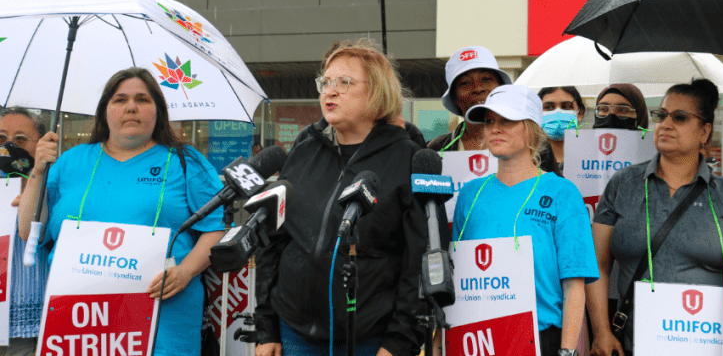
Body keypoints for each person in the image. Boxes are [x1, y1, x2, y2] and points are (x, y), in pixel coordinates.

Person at [17, 68, 226, 356]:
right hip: (81, 323)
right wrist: (38, 172)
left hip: (162, 320)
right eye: (120, 100)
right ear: (104, 111)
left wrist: (186, 272)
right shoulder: (69, 162)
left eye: (142, 99)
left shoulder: (186, 161)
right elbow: (29, 231)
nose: (131, 107)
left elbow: (215, 227)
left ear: (158, 111)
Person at [255, 39, 427, 356]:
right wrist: (267, 327)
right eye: (326, 82)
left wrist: (400, 343)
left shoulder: (408, 159)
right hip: (294, 334)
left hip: (370, 340)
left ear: (377, 92)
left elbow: (418, 261)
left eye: (344, 83)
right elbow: (273, 240)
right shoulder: (303, 150)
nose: (329, 91)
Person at [587, 79, 723, 356]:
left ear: (705, 131)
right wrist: (602, 332)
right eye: (661, 115)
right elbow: (597, 265)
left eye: (680, 117)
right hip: (632, 344)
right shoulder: (623, 184)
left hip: (709, 346)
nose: (666, 124)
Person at [453, 84, 598, 356]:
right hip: (478, 337)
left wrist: (567, 351)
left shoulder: (562, 193)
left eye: (507, 120)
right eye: (489, 121)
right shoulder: (470, 194)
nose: (495, 128)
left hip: (541, 338)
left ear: (531, 128)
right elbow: (458, 275)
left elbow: (574, 287)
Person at [2, 108, 49, 356]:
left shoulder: (53, 184)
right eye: (1, 138)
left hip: (31, 324)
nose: (9, 145)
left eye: (20, 139)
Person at [538, 86, 586, 174]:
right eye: (549, 107)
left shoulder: (591, 158)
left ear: (580, 113)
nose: (558, 113)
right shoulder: (527, 159)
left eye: (566, 106)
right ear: (537, 114)